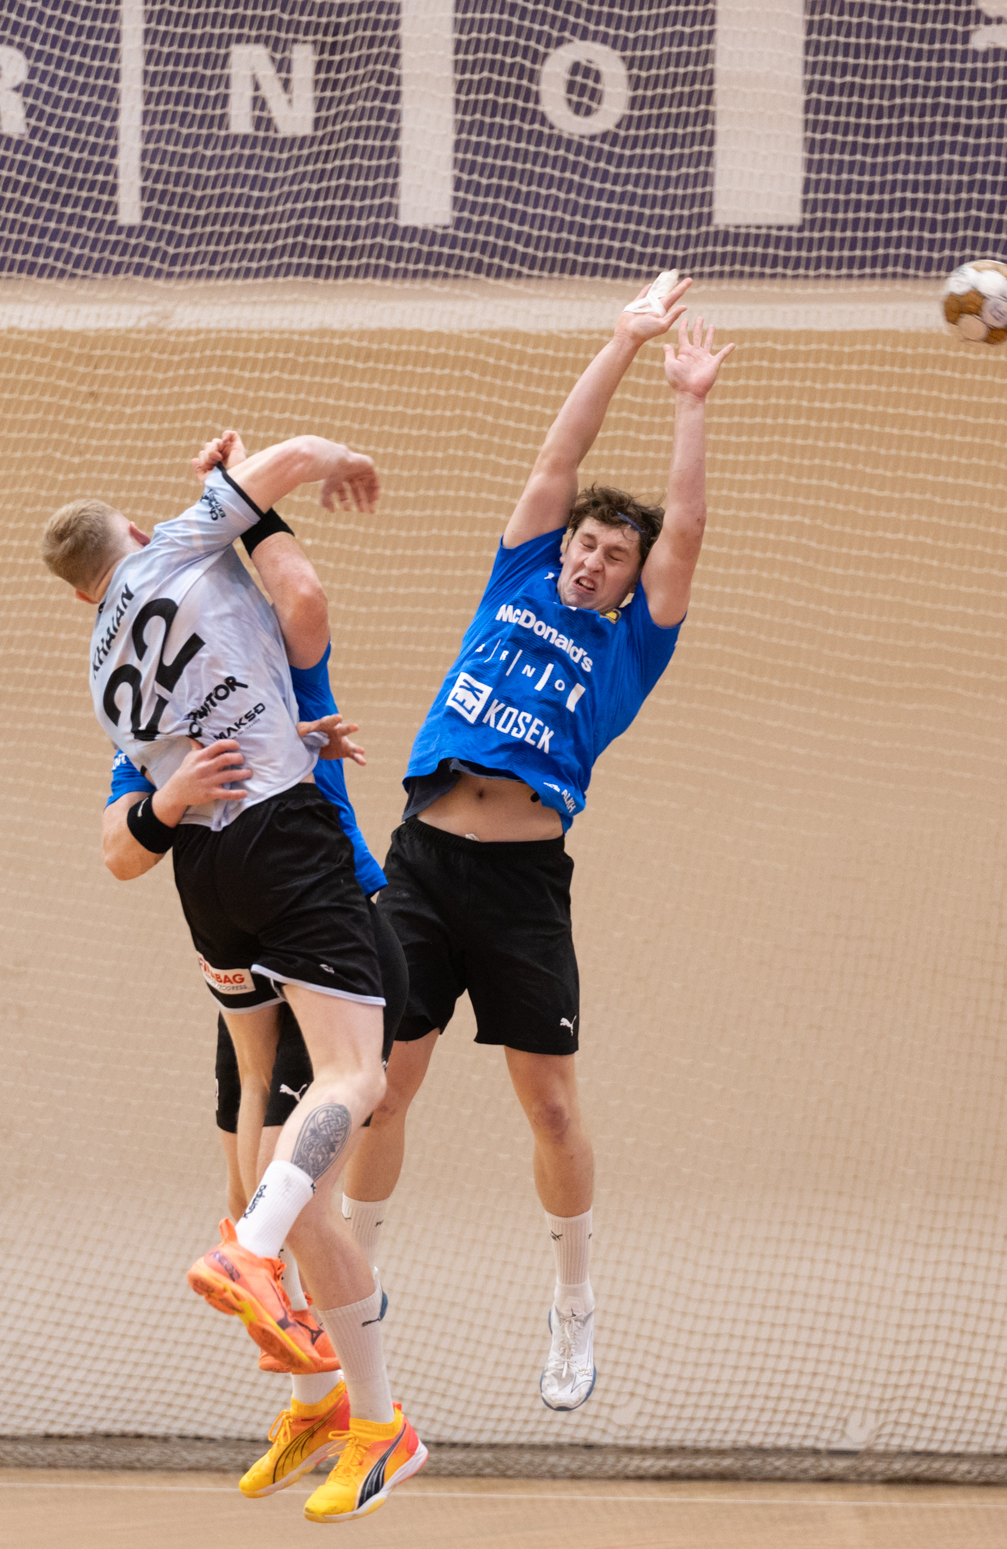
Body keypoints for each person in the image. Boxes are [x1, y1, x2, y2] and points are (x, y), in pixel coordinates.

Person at [350, 279, 733, 1412]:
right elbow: (556, 459)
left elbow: (685, 532)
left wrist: (688, 402)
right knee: (381, 1088)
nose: (591, 560)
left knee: (551, 1104)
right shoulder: (518, 570)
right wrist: (621, 343)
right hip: (422, 862)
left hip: (520, 881)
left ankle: (572, 1307)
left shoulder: (628, 647)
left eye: (613, 556)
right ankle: (351, 1277)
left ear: (627, 581)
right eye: (585, 543)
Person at [44, 434, 426, 1524]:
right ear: (137, 536)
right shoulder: (183, 558)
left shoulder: (112, 681)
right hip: (279, 860)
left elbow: (292, 615)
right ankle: (330, 1374)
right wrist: (321, 461)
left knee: (300, 1161)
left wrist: (283, 738)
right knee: (323, 1123)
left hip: (239, 874)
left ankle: (336, 1395)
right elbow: (292, 509)